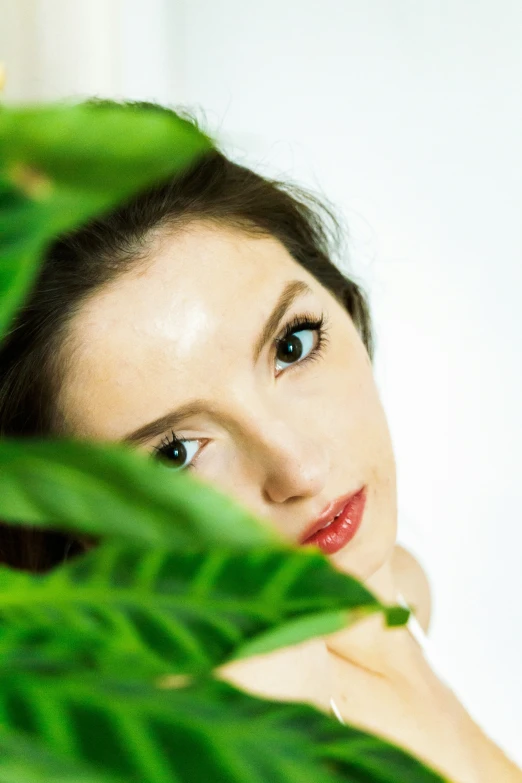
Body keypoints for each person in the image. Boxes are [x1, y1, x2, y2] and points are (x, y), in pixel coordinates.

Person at [0, 98, 520, 783]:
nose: (299, 467)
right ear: (78, 531)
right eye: (175, 452)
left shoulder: (394, 586)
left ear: (341, 300)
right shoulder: (249, 714)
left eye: (293, 343)